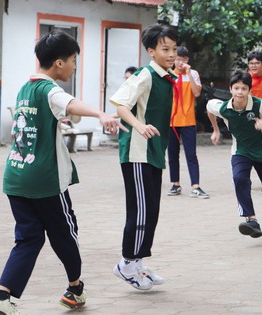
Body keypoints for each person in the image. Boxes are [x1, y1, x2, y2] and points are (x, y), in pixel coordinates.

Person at [0, 30, 124, 315]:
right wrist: (102, 114)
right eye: (72, 60)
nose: (74, 66)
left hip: (15, 177)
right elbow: (68, 103)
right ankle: (75, 289)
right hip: (44, 181)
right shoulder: (50, 89)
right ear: (58, 63)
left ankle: (0, 297)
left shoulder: (25, 88)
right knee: (65, 233)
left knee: (29, 237)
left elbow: (61, 112)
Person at [109, 24, 178, 291]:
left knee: (152, 211)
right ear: (151, 51)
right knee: (140, 211)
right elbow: (120, 105)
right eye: (165, 49)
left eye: (173, 49)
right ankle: (126, 264)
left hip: (153, 152)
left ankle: (137, 263)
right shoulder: (145, 75)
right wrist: (139, 125)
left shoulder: (166, 76)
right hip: (137, 152)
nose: (171, 54)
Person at [206, 70, 262, 238]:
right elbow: (209, 107)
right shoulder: (224, 107)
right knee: (240, 179)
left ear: (249, 90)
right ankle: (251, 219)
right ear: (231, 89)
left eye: (244, 88)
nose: (240, 92)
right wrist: (216, 130)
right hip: (241, 151)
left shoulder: (261, 106)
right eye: (236, 88)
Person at [166, 47, 208, 199]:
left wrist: (189, 73)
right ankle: (175, 184)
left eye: (183, 59)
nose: (180, 62)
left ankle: (195, 186)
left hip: (188, 120)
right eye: (178, 59)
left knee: (191, 154)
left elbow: (196, 93)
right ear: (174, 59)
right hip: (171, 122)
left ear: (187, 60)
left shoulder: (193, 74)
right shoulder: (168, 74)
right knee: (172, 154)